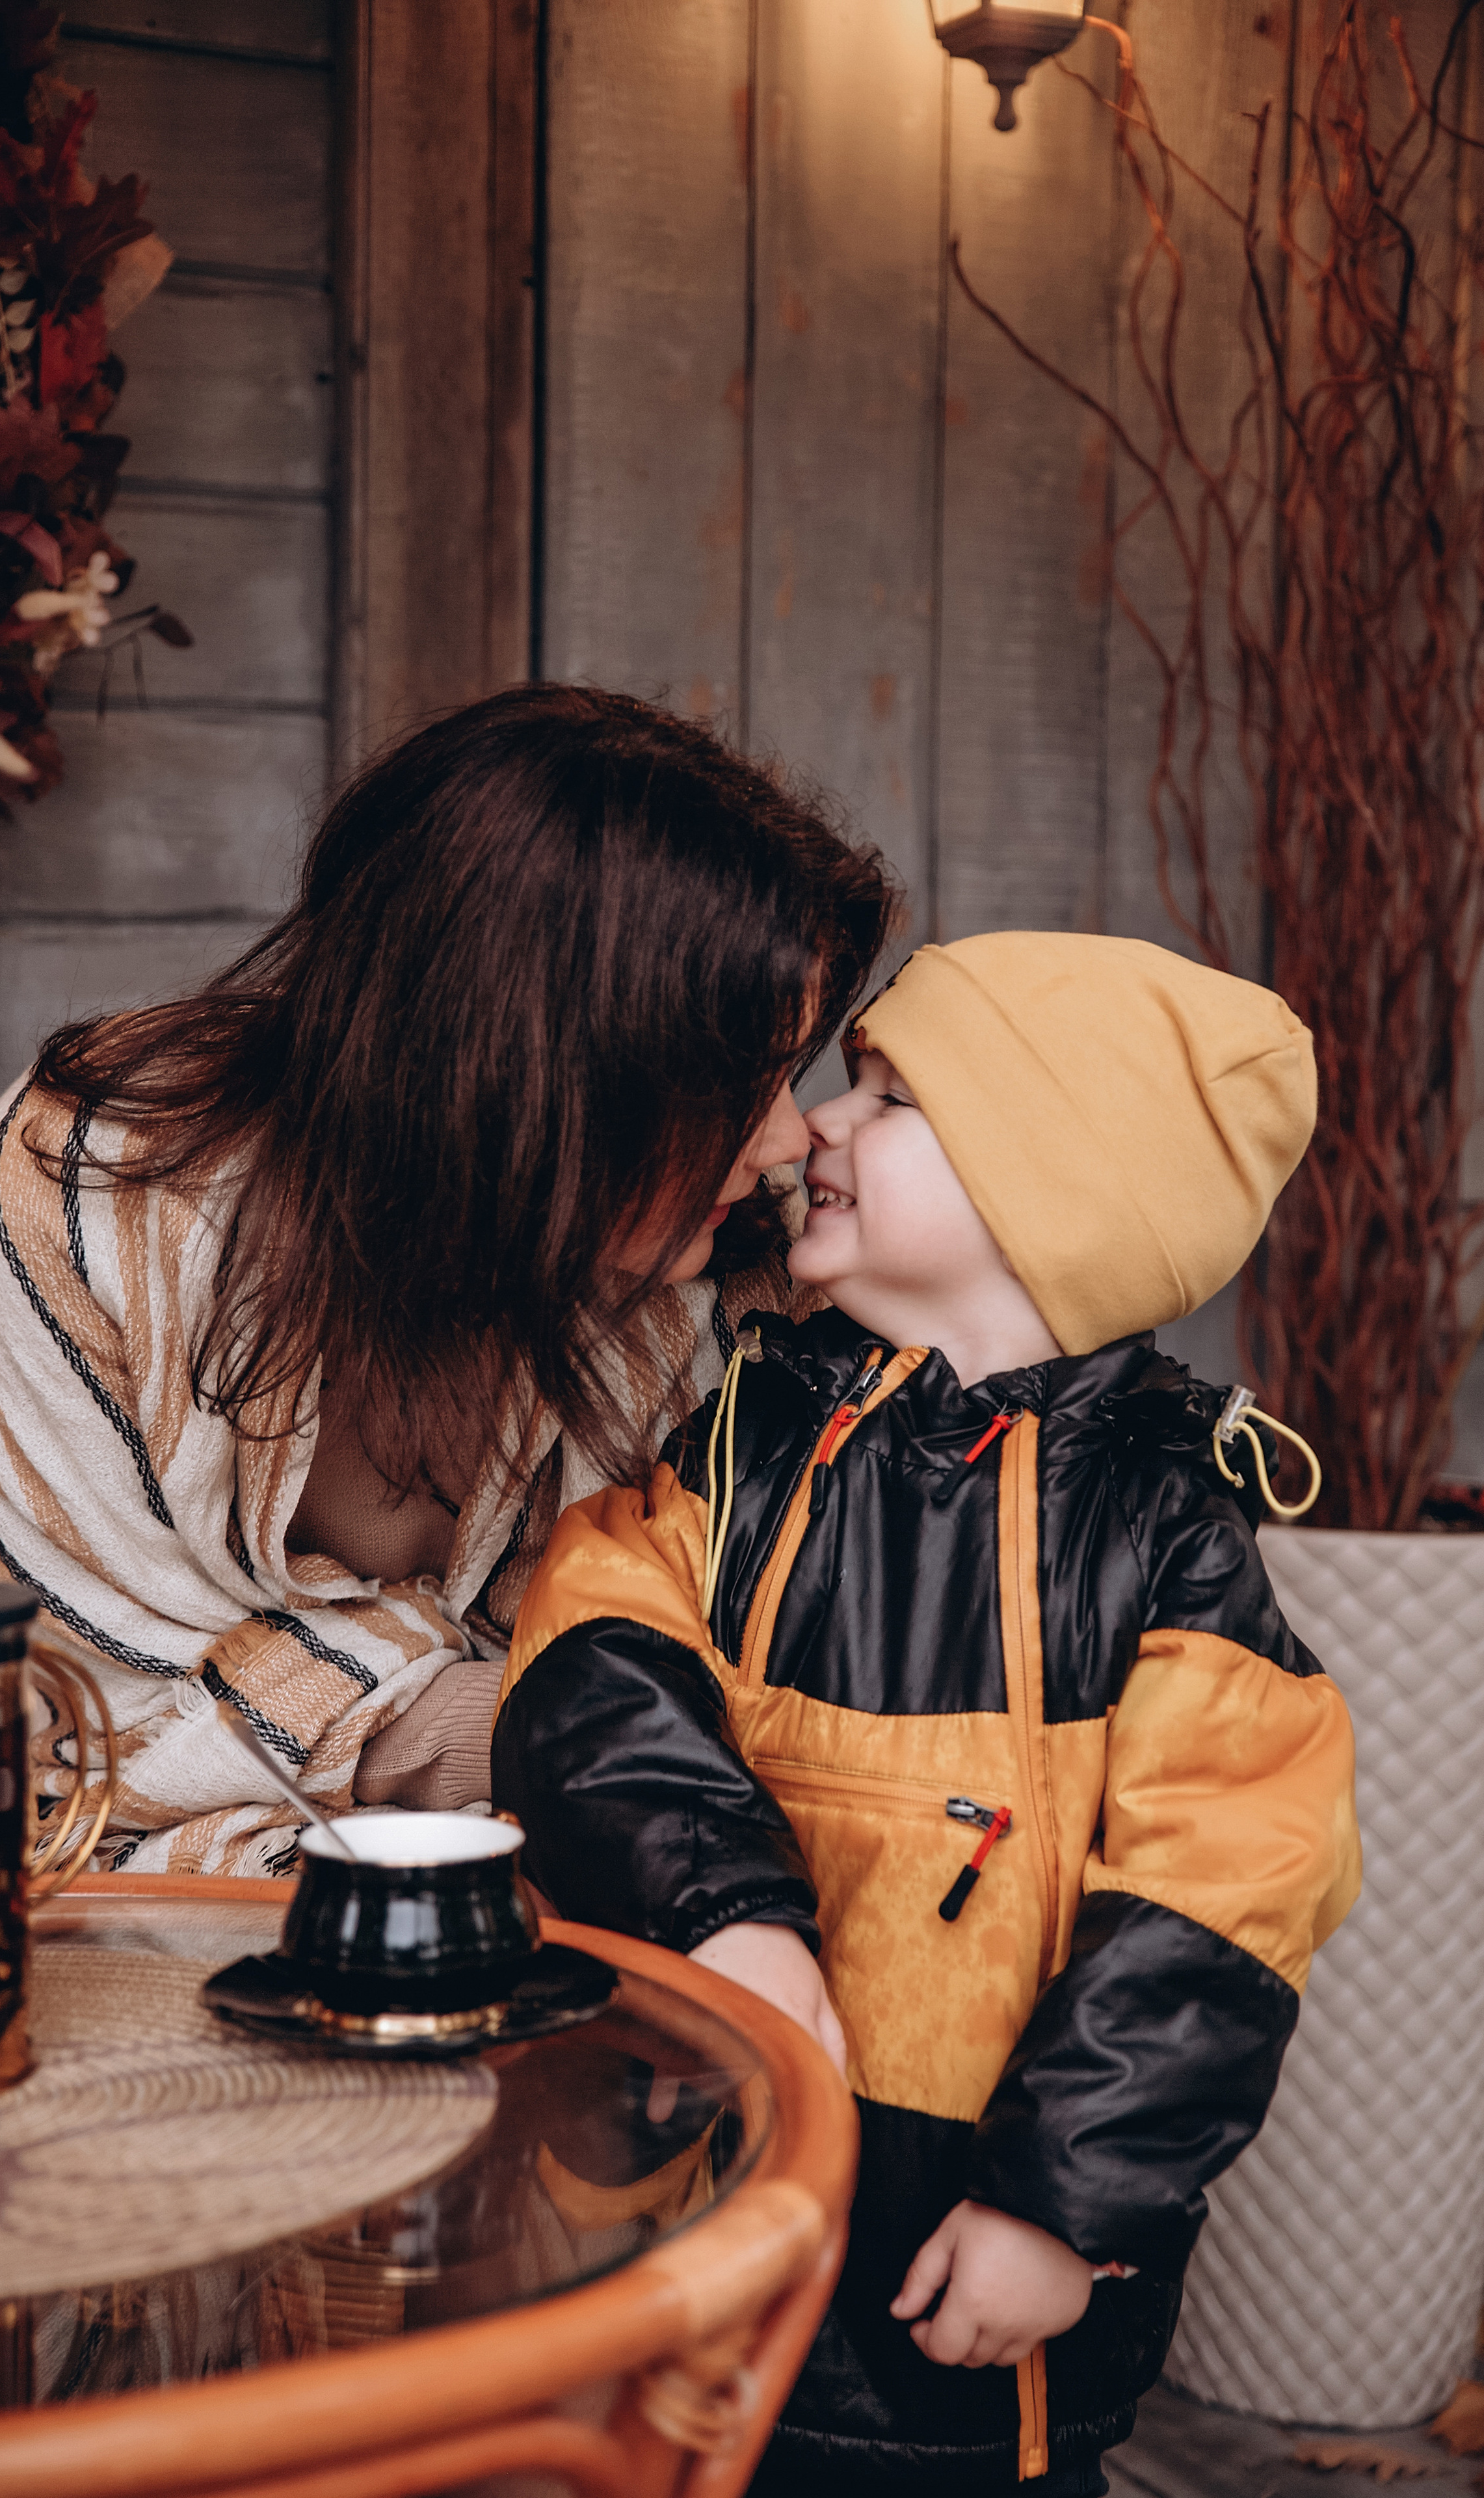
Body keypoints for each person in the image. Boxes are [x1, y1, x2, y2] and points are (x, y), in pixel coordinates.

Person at [492, 930, 1362, 2495]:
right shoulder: (749, 1432)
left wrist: (1056, 2205)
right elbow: (588, 1650)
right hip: (692, 2190)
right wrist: (727, 1909)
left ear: (1050, 1197)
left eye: (888, 1098)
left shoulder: (1162, 1534)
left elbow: (1218, 1903)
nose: (816, 1121)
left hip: (956, 2256)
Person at [0, 685, 897, 1874]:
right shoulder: (99, 1182)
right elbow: (81, 1733)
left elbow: (800, 1700)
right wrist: (520, 1729)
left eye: (790, 1073)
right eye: (734, 1084)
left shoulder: (748, 1275)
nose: (786, 1141)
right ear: (527, 1070)